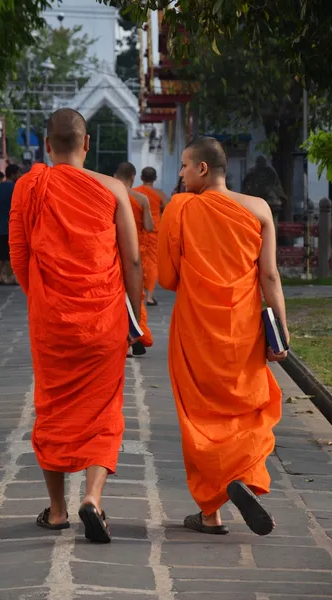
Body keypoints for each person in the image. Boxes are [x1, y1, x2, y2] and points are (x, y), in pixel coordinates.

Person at [9, 108, 142, 543]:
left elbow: (19, 255)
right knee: (105, 410)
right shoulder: (114, 190)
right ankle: (93, 498)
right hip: (104, 318)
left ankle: (58, 509)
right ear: (87, 145)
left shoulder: (29, 186)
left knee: (53, 408)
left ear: (47, 146)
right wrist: (135, 318)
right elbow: (133, 260)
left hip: (51, 320)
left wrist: (44, 300)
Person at [158, 137, 288, 537]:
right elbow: (269, 275)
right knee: (248, 406)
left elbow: (166, 279)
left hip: (196, 329)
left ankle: (210, 511)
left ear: (201, 169)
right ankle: (244, 477)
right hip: (245, 328)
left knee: (199, 415)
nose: (179, 174)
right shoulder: (259, 209)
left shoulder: (179, 209)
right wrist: (280, 331)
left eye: (183, 166)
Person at [114, 162, 154, 357]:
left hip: (113, 250)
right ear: (133, 177)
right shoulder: (142, 198)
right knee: (135, 294)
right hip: (136, 250)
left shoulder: (109, 194)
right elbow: (148, 226)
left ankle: (125, 337)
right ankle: (134, 335)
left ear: (115, 175)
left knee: (115, 295)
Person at [134, 167, 169, 306]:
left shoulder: (135, 192)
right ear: (154, 179)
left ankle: (138, 291)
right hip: (155, 230)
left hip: (139, 230)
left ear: (141, 177)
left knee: (139, 260)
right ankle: (149, 296)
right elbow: (168, 209)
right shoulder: (159, 194)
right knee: (153, 262)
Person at [0, 164, 20, 284]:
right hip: (11, 224)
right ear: (14, 174)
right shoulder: (15, 187)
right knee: (11, 252)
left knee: (0, 253)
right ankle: (10, 277)